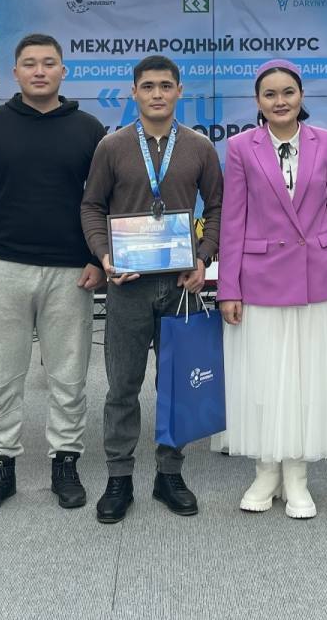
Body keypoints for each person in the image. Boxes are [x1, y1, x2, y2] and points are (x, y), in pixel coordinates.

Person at [0, 34, 106, 514]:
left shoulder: (89, 129)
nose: (39, 71)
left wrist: (97, 258)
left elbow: (102, 201)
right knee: (1, 376)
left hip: (72, 271)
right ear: (15, 72)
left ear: (64, 71)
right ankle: (0, 465)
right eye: (29, 64)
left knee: (68, 376)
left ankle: (66, 462)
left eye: (48, 63)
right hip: (1, 267)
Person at [216, 59, 327, 519]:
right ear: (257, 102)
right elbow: (232, 222)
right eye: (270, 94)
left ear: (301, 96)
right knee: (262, 379)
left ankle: (297, 476)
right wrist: (228, 288)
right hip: (260, 279)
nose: (280, 101)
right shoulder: (240, 148)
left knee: (306, 380)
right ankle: (266, 471)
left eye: (288, 92)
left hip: (317, 277)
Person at [80, 54, 222, 523]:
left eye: (165, 85)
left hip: (182, 285)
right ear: (134, 92)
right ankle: (119, 477)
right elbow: (91, 206)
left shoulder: (200, 147)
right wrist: (106, 257)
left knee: (177, 385)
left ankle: (169, 473)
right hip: (128, 286)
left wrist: (203, 258)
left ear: (179, 91)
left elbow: (219, 208)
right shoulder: (112, 146)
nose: (157, 93)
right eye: (148, 86)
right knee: (122, 385)